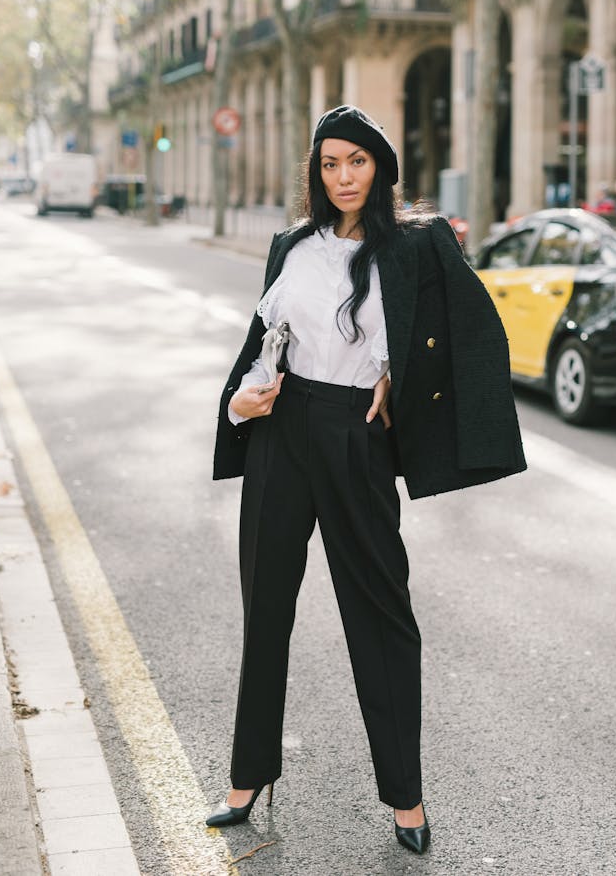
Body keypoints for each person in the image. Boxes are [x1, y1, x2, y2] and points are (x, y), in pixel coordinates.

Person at [207, 105, 526, 855]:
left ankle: (405, 798)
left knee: (381, 617)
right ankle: (247, 778)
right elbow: (265, 346)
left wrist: (402, 381)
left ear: (379, 164)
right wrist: (239, 402)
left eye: (356, 161)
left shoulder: (418, 245)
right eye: (328, 164)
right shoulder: (292, 245)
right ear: (315, 173)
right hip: (281, 435)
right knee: (266, 610)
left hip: (359, 436)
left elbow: (475, 330)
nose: (343, 177)